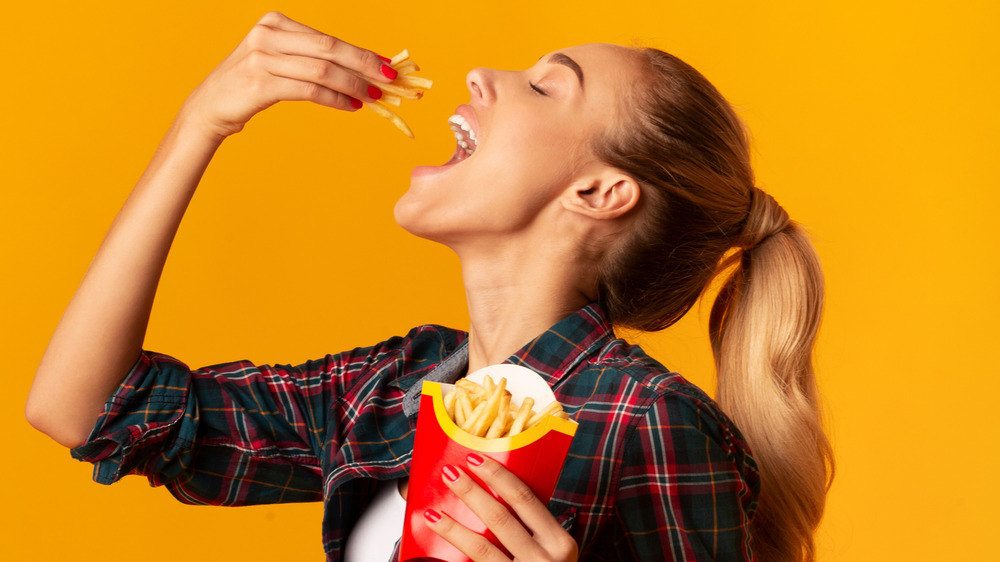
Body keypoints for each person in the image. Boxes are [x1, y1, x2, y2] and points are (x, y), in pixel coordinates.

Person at [25, 11, 833, 562]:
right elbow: (90, 410)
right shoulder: (391, 388)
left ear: (599, 193)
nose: (483, 74)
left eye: (548, 86)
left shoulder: (648, 423)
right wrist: (202, 121)